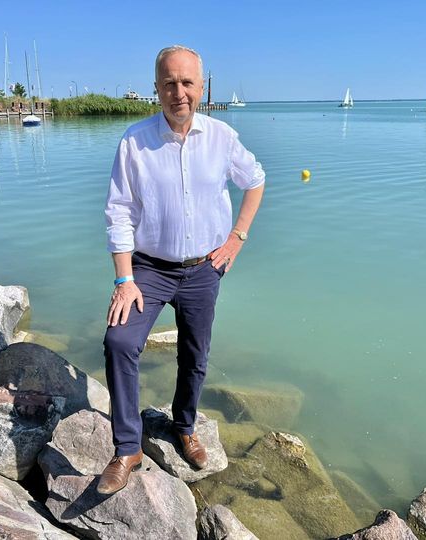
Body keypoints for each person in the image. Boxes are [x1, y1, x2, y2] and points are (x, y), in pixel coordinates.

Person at [99, 45, 265, 495]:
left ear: (202, 87)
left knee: (195, 353)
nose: (179, 93)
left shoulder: (222, 137)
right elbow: (118, 212)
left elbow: (255, 180)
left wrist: (237, 237)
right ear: (156, 88)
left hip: (204, 268)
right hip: (148, 269)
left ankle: (185, 426)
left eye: (187, 83)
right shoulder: (134, 141)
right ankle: (128, 447)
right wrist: (124, 279)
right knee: (119, 341)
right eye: (169, 83)